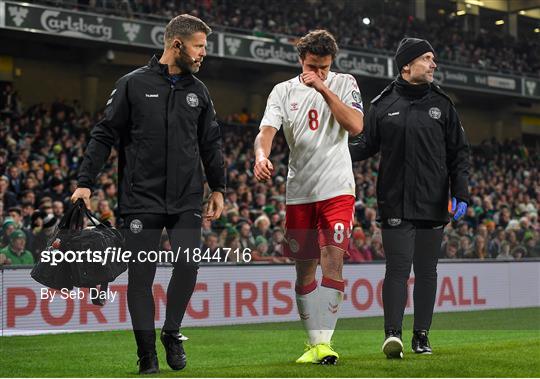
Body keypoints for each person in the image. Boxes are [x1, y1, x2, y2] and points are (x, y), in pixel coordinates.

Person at [71, 14, 225, 374]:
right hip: (141, 199)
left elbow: (211, 143)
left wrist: (219, 187)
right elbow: (104, 134)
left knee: (188, 264)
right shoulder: (131, 84)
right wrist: (84, 181)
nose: (204, 53)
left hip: (187, 198)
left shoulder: (199, 92)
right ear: (177, 45)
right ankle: (146, 356)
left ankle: (171, 332)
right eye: (199, 46)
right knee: (142, 278)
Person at [349, 37, 470, 358]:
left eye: (434, 59)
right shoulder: (382, 104)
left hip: (433, 201)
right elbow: (364, 147)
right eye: (428, 58)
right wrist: (332, 151)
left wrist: (461, 192)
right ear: (406, 65)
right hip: (394, 200)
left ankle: (422, 336)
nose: (434, 64)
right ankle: (393, 336)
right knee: (398, 268)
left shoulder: (443, 105)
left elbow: (459, 153)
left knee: (427, 271)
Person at [254, 29, 363, 364]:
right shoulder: (282, 91)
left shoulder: (345, 83)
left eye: (325, 66)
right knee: (304, 272)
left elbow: (356, 126)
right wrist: (261, 156)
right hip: (299, 191)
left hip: (337, 188)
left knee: (333, 259)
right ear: (301, 60)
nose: (319, 72)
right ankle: (315, 343)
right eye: (313, 66)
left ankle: (325, 343)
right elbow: (266, 131)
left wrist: (322, 86)